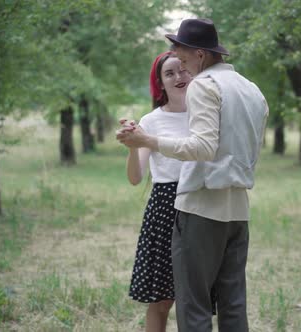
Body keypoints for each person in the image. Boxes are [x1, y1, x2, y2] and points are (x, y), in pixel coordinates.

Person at [117, 18, 268, 332]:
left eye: (182, 53)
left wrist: (148, 140)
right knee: (233, 301)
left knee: (194, 305)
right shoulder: (251, 90)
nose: (179, 60)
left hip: (200, 207)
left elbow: (202, 147)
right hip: (238, 209)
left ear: (200, 54)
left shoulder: (205, 84)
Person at [120, 51, 191, 332]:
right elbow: (136, 178)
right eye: (169, 73)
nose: (178, 77)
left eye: (182, 70)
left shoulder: (206, 114)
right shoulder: (151, 121)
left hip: (200, 201)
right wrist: (133, 145)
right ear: (160, 83)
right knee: (162, 300)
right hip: (164, 209)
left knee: (195, 298)